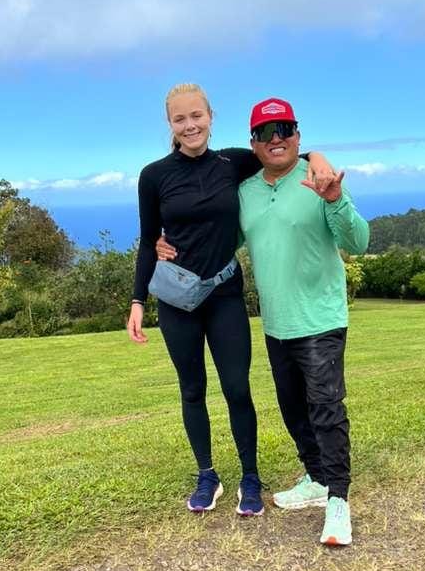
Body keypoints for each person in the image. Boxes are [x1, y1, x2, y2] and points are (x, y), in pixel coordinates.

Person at [158, 96, 369, 546]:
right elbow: (217, 238)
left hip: (321, 319)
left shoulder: (320, 178)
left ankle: (338, 500)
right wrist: (168, 245)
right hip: (276, 323)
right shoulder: (248, 191)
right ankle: (315, 478)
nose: (277, 140)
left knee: (326, 410)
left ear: (298, 135)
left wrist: (334, 199)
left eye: (285, 130)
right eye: (265, 133)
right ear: (252, 143)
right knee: (294, 410)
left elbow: (359, 240)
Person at [127, 83, 334, 519]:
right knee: (192, 390)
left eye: (196, 116)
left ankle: (250, 476)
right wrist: (137, 302)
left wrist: (317, 158)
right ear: (171, 124)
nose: (190, 126)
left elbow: (283, 153)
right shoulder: (154, 175)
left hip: (223, 294)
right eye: (180, 119)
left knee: (237, 389)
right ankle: (207, 474)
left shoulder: (233, 162)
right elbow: (149, 241)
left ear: (210, 116)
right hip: (177, 300)